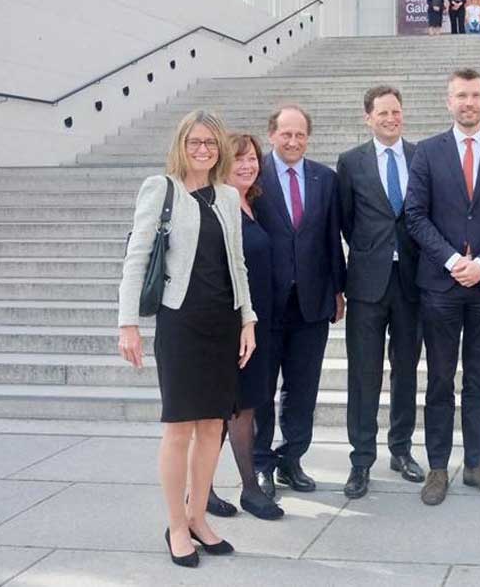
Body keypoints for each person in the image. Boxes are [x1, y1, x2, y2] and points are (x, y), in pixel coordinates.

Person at [118, 110, 257, 567]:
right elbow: (136, 257)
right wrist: (128, 323)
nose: (203, 150)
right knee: (179, 427)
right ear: (181, 144)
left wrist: (248, 321)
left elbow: (237, 264)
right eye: (195, 142)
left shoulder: (227, 195)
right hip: (181, 323)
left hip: (223, 323)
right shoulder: (161, 189)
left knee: (212, 427)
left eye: (211, 144)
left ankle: (199, 517)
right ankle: (176, 525)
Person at [404, 67, 480, 506]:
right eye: (460, 95)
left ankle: (475, 463)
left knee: (478, 379)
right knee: (439, 379)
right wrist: (455, 261)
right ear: (448, 101)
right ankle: (438, 468)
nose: (468, 102)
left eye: (475, 95)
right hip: (440, 284)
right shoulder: (427, 153)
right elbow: (415, 215)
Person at [335, 86, 425, 499]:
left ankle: (401, 449)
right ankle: (361, 460)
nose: (391, 118)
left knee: (405, 370)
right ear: (367, 117)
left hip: (412, 282)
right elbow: (345, 221)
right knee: (364, 374)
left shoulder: (421, 156)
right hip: (368, 283)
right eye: (383, 113)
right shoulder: (351, 162)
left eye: (397, 111)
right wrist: (371, 252)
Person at [252, 105, 346, 500]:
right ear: (271, 134)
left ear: (308, 137)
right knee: (260, 389)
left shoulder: (325, 178)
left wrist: (339, 290)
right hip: (264, 304)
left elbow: (331, 238)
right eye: (286, 134)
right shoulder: (253, 175)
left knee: (302, 388)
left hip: (312, 301)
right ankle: (260, 464)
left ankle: (292, 458)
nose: (293, 142)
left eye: (300, 135)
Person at [206, 133, 285, 521]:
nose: (247, 165)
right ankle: (250, 489)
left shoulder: (252, 202)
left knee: (238, 406)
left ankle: (202, 489)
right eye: (238, 159)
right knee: (236, 408)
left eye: (252, 158)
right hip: (236, 326)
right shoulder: (217, 205)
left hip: (260, 323)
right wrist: (238, 323)